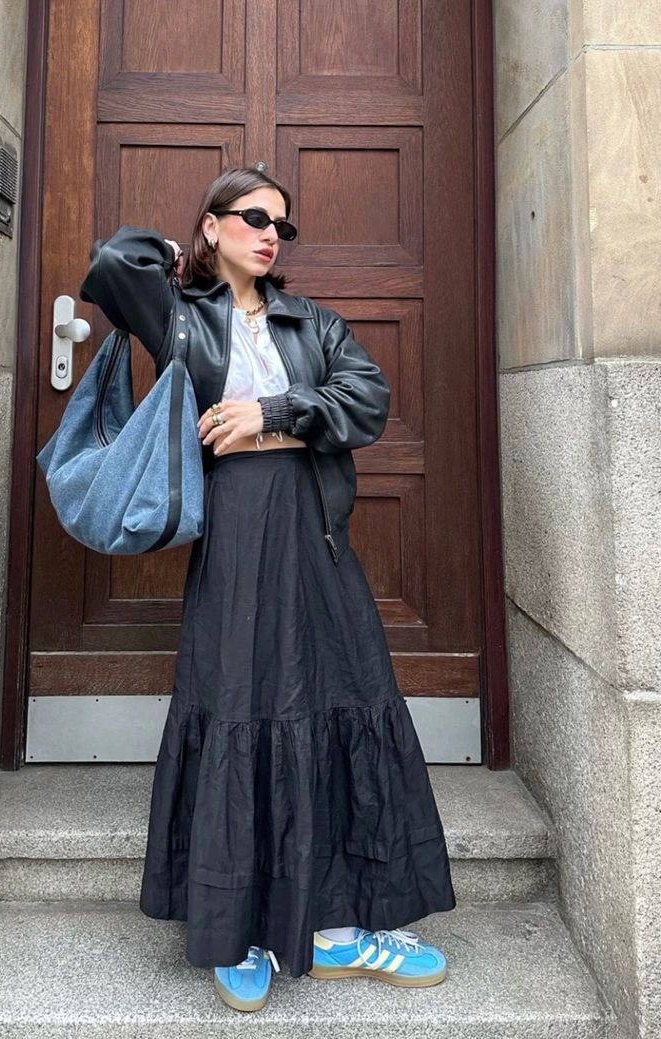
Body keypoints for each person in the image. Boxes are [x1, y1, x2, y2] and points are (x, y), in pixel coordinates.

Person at [78, 166, 456, 1013]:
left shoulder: (311, 321)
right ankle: (236, 928)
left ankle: (338, 929)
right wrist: (179, 253)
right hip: (237, 539)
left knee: (341, 697)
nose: (271, 235)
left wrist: (272, 414)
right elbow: (108, 264)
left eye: (282, 225)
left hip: (317, 538)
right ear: (214, 224)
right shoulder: (181, 316)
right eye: (253, 217)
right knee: (241, 708)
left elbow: (366, 399)